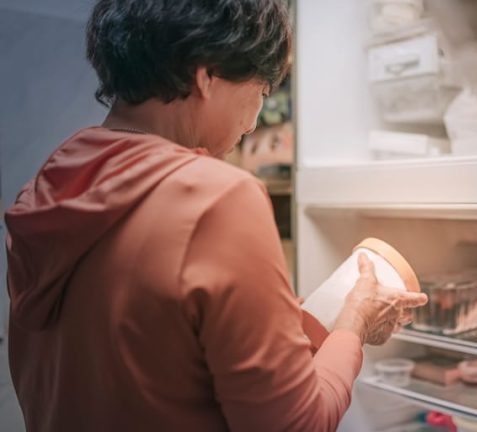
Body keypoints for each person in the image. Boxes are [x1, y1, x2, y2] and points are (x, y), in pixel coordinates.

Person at [4, 1, 428, 431]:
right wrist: (354, 323)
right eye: (261, 92)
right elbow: (297, 426)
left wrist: (277, 318)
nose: (252, 124)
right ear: (207, 75)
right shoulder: (218, 197)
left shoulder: (50, 187)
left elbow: (148, 348)